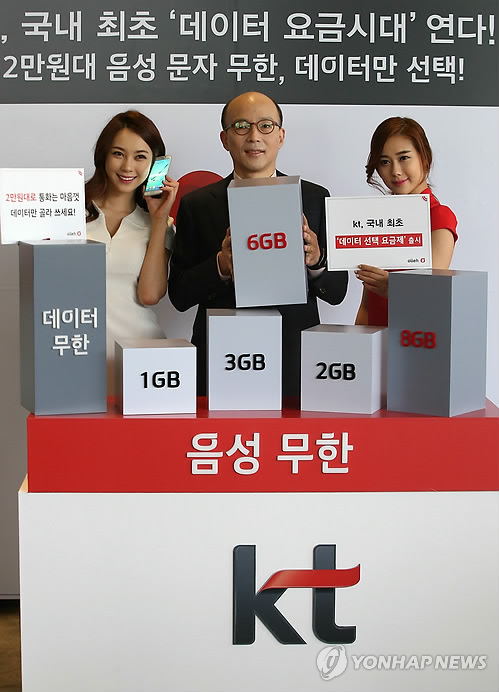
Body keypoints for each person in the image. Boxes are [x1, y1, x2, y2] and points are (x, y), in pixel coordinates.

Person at [168, 91, 348, 397]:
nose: (254, 136)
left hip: (294, 356)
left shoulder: (315, 198)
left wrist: (316, 260)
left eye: (266, 126)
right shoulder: (197, 205)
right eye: (241, 126)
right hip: (222, 357)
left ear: (281, 136)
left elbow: (337, 292)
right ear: (225, 139)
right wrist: (220, 265)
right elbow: (179, 296)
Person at [85, 110, 179, 393]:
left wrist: (159, 220)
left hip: (143, 363)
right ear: (103, 155)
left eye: (140, 157)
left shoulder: (160, 224)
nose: (128, 166)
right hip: (79, 357)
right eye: (118, 154)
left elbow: (149, 295)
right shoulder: (68, 212)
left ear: (155, 164)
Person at [355, 116, 458, 326]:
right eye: (385, 162)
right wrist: (357, 343)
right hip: (374, 336)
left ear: (424, 157)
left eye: (404, 158)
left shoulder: (439, 216)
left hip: (415, 338)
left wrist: (394, 288)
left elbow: (431, 291)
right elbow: (366, 304)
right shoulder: (378, 221)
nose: (395, 171)